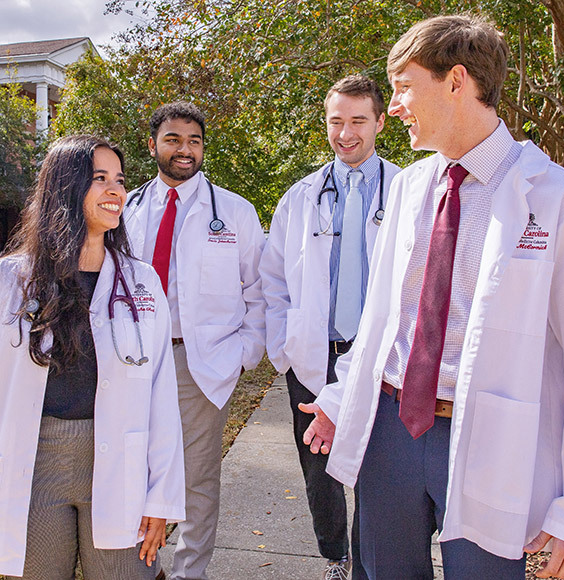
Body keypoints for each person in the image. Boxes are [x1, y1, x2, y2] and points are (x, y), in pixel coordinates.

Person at [300, 15, 564, 580]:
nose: (396, 105)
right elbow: (388, 319)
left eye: (404, 86)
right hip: (390, 427)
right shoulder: (407, 188)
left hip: (489, 438)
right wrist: (339, 397)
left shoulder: (558, 200)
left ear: (456, 81)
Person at [0, 135, 185, 579]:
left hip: (121, 465)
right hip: (35, 464)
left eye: (119, 179)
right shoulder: (4, 282)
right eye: (99, 179)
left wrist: (162, 498)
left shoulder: (142, 283)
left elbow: (161, 397)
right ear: (64, 187)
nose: (116, 190)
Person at [259, 75, 401, 580]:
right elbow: (272, 278)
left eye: (358, 120)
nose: (346, 133)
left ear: (381, 122)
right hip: (314, 356)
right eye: (336, 121)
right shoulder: (299, 197)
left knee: (377, 467)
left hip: (382, 357)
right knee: (318, 468)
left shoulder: (406, 191)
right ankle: (337, 556)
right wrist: (284, 347)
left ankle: (369, 559)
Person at [122, 102, 265, 580]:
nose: (185, 150)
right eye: (173, 140)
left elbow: (259, 289)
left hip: (198, 361)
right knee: (134, 465)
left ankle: (189, 572)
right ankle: (146, 567)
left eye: (194, 141)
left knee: (197, 476)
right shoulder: (129, 209)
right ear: (153, 146)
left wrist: (245, 352)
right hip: (134, 359)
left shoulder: (235, 212)